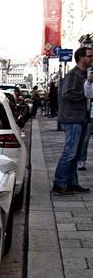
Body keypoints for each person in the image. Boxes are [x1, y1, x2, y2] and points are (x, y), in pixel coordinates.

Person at [52, 46, 93, 196]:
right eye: (89, 56)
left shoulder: (83, 74)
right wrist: (86, 94)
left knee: (76, 153)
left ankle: (72, 182)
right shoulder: (73, 74)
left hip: (81, 117)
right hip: (72, 118)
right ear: (81, 58)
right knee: (69, 152)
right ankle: (59, 182)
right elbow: (67, 94)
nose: (91, 58)